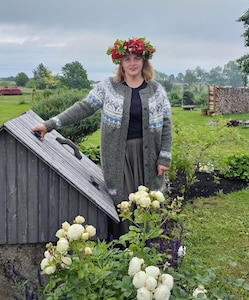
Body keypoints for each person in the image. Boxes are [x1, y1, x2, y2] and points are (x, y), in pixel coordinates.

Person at [32, 37, 172, 239]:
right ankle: (125, 249)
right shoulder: (108, 87)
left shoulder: (156, 90)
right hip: (118, 156)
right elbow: (83, 108)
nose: (132, 63)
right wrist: (49, 124)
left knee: (149, 201)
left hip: (148, 156)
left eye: (136, 58)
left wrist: (164, 158)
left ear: (144, 62)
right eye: (127, 59)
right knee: (123, 202)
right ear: (120, 63)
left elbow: (166, 123)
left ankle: (149, 249)